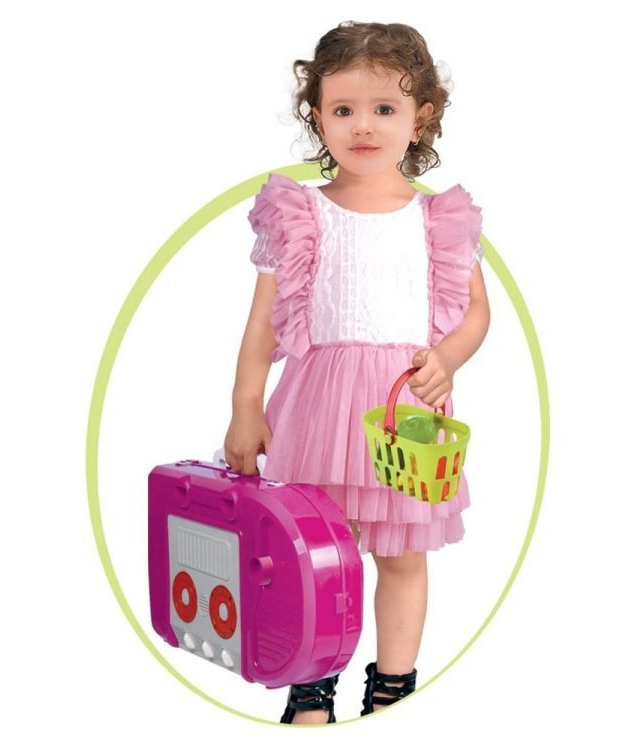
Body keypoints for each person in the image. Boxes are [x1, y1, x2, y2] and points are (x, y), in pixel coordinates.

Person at [223, 20, 490, 725]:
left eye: (384, 108)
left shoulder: (438, 219)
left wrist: (447, 358)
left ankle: (393, 685)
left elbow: (475, 314)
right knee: (315, 555)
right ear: (317, 117)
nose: (363, 125)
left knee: (402, 557)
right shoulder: (302, 213)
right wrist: (246, 405)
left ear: (419, 118)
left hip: (402, 414)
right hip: (317, 413)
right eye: (343, 109)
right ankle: (310, 684)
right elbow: (263, 324)